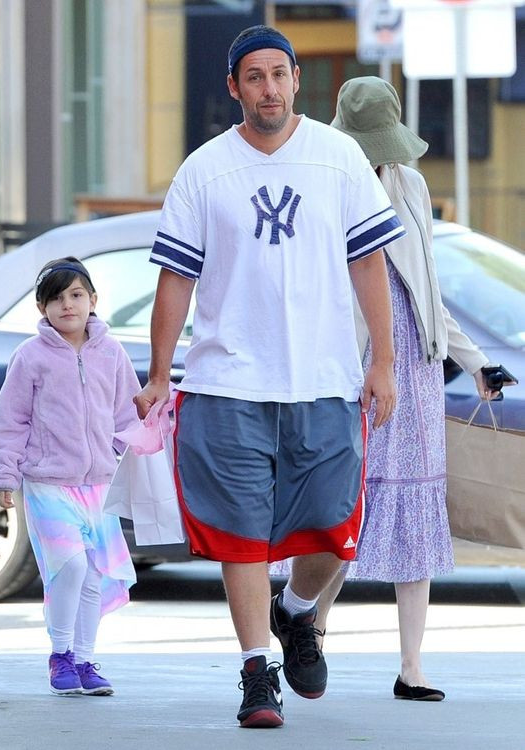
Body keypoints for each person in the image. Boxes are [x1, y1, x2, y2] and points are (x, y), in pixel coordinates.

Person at [134, 26, 406, 728]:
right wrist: (162, 372)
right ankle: (258, 670)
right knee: (240, 532)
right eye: (253, 77)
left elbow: (369, 263)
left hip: (322, 379)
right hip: (228, 382)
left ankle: (296, 612)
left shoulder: (338, 157)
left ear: (295, 81)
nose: (269, 89)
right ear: (234, 87)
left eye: (279, 75)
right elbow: (175, 278)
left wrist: (382, 361)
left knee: (331, 529)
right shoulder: (204, 169)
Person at [314, 76, 495, 701]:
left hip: (413, 369)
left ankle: (411, 665)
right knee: (340, 509)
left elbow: (428, 291)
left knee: (413, 514)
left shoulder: (412, 184)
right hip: (348, 366)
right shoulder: (327, 186)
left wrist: (474, 362)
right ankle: (309, 629)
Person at [0, 257, 139, 697]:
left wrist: (122, 455)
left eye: (75, 295)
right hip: (47, 480)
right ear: (42, 308)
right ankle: (60, 654)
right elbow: (10, 420)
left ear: (93, 300)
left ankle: (86, 660)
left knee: (93, 573)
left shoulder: (111, 352)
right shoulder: (30, 357)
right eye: (55, 298)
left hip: (98, 484)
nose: (67, 305)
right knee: (69, 566)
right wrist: (4, 476)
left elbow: (126, 413)